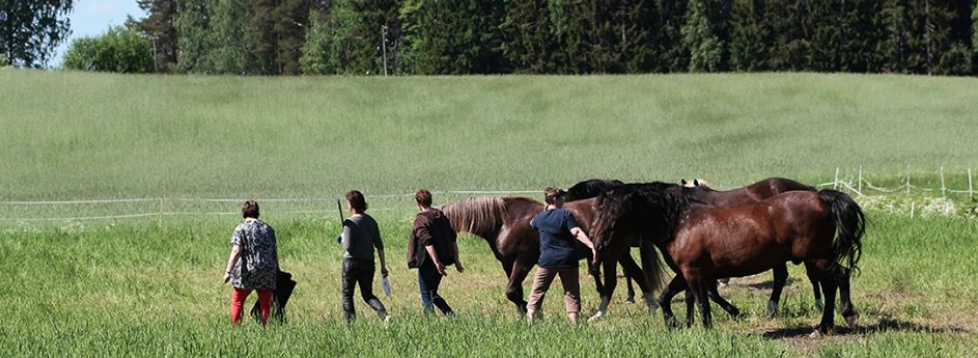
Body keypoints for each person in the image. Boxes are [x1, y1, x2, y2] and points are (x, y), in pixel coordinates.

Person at [527, 187, 596, 325]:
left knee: (537, 293)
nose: (564, 200)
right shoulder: (565, 215)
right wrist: (590, 245)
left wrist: (545, 212)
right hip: (568, 259)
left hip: (547, 260)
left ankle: (530, 324)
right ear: (555, 200)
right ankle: (574, 326)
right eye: (561, 198)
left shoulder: (539, 218)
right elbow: (576, 232)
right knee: (571, 293)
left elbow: (531, 224)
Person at [407, 189, 464, 317]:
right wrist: (456, 260)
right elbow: (452, 239)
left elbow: (427, 242)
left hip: (428, 262)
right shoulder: (441, 216)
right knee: (433, 293)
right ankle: (452, 316)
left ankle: (431, 325)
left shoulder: (421, 220)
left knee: (426, 295)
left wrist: (436, 262)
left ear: (418, 202)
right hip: (444, 258)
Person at [223, 200, 279, 327]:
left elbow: (236, 250)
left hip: (246, 271)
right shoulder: (268, 229)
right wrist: (277, 268)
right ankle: (266, 328)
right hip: (267, 269)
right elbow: (274, 251)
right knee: (266, 303)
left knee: (238, 301)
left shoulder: (240, 229)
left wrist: (228, 272)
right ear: (257, 212)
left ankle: (235, 329)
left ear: (243, 212)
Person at [339, 190, 390, 324]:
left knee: (347, 296)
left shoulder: (349, 222)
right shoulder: (371, 221)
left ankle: (351, 326)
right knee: (367, 295)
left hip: (351, 263)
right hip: (368, 262)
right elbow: (379, 246)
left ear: (352, 205)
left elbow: (348, 247)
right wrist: (383, 266)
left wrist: (343, 239)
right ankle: (384, 315)